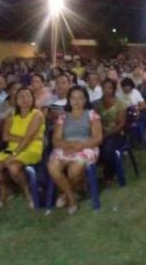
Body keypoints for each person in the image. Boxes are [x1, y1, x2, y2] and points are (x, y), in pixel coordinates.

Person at [47, 86, 102, 214]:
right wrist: (68, 145)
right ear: (69, 99)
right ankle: (72, 197)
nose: (76, 101)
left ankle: (65, 194)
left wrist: (80, 146)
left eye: (80, 98)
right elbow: (56, 140)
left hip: (87, 146)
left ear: (86, 99)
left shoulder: (92, 115)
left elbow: (98, 138)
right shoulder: (63, 117)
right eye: (73, 98)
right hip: (65, 146)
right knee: (52, 166)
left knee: (74, 170)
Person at [0, 87, 45, 209]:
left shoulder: (37, 114)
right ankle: (5, 190)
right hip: (12, 148)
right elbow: (5, 136)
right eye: (21, 96)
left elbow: (28, 138)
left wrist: (16, 151)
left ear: (33, 98)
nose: (25, 99)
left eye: (28, 96)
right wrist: (24, 140)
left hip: (32, 148)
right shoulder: (12, 115)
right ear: (16, 100)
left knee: (13, 166)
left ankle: (27, 192)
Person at [96, 79, 126, 182]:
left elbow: (121, 124)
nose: (107, 90)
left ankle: (109, 174)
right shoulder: (97, 104)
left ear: (113, 89)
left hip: (116, 134)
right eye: (104, 88)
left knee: (108, 149)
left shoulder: (120, 103)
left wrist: (108, 134)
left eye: (109, 88)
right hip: (100, 133)